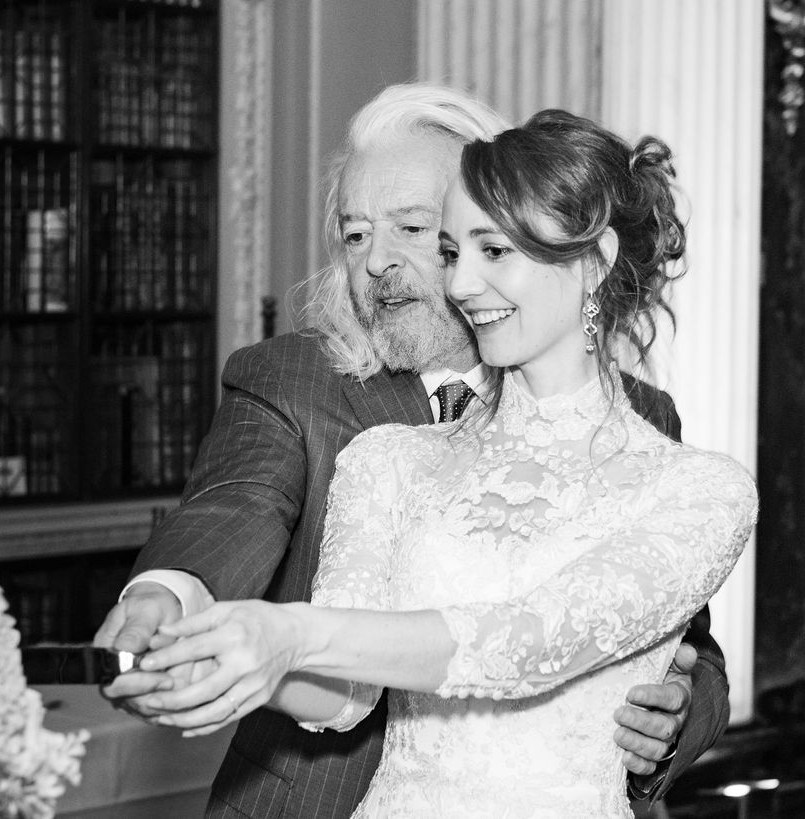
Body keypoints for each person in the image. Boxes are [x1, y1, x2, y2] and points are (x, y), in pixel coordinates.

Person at [96, 85, 732, 817]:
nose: (377, 264)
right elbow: (234, 508)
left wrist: (679, 713)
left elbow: (657, 642)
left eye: (416, 230)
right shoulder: (352, 428)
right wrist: (190, 613)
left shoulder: (668, 449)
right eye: (356, 234)